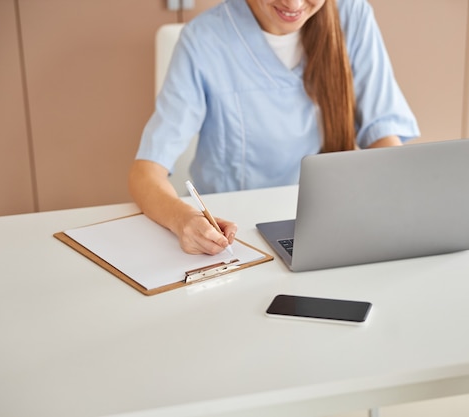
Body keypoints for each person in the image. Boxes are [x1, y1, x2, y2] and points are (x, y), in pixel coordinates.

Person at [129, 0, 420, 256]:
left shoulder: (352, 15)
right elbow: (145, 173)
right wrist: (184, 220)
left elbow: (382, 135)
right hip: (235, 238)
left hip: (327, 225)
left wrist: (399, 207)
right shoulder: (203, 40)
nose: (293, 4)